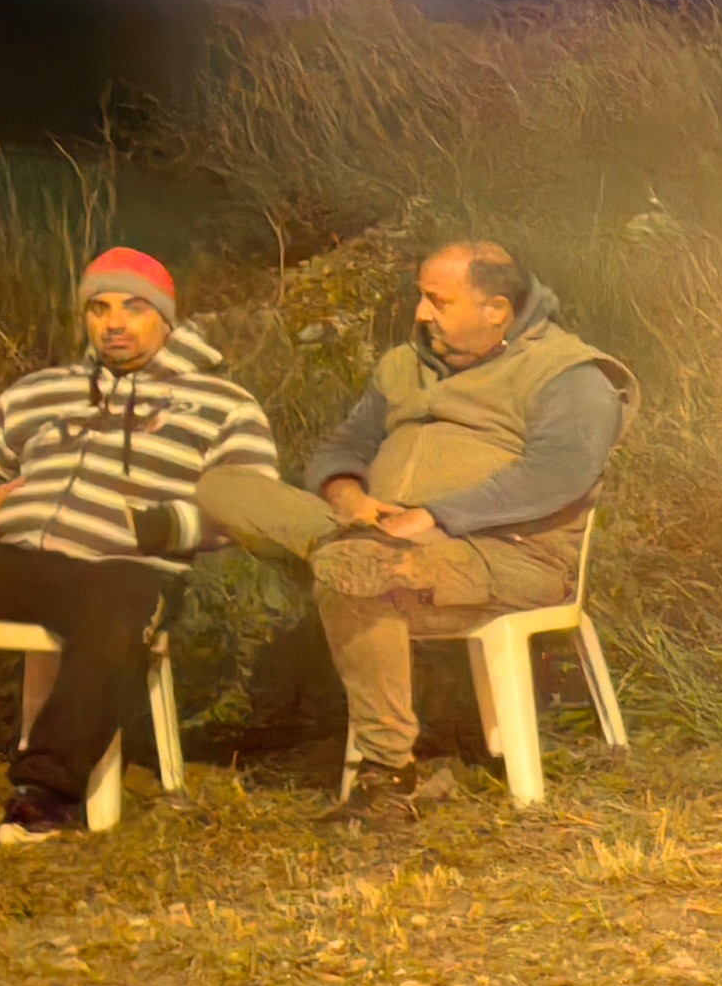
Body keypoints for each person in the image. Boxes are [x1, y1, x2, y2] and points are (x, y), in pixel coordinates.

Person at [197, 240, 632, 825]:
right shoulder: (405, 364)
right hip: (379, 531)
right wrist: (348, 497)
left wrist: (436, 516)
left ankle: (388, 773)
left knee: (368, 575)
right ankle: (344, 549)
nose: (422, 313)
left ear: (496, 310)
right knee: (222, 486)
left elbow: (557, 473)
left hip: (502, 554)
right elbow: (344, 446)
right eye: (421, 297)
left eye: (438, 300)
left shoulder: (568, 374)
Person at [0, 249, 276, 839]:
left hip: (121, 567)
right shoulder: (36, 392)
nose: (114, 323)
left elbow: (255, 507)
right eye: (100, 308)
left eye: (133, 308)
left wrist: (164, 527)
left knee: (119, 605)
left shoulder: (223, 405)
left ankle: (45, 793)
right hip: (17, 557)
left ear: (166, 318)